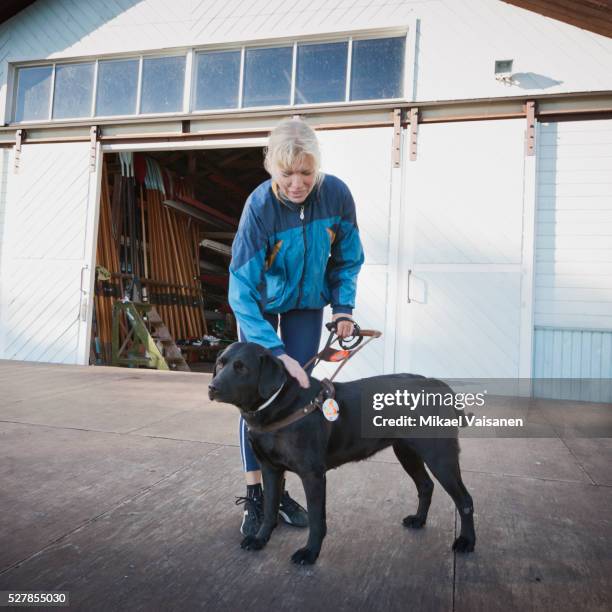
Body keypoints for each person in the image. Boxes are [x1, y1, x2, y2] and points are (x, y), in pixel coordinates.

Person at [228, 118, 364, 536]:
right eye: (287, 174)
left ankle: (281, 493)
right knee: (258, 400)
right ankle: (257, 496)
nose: (297, 183)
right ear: (272, 167)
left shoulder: (336, 195)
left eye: (306, 172)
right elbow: (241, 288)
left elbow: (346, 257)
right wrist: (276, 351)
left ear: (316, 166)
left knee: (298, 398)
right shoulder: (260, 207)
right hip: (261, 308)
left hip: (307, 304)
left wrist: (342, 309)